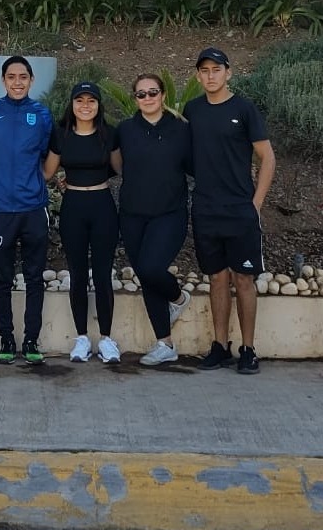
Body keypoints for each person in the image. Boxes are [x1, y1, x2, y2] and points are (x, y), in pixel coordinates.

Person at [184, 47, 276, 375]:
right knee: (217, 278)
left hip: (240, 209)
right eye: (205, 70)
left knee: (244, 278)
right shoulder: (192, 109)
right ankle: (220, 346)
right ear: (198, 75)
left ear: (228, 73)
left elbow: (267, 157)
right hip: (206, 208)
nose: (211, 75)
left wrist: (257, 202)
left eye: (216, 69)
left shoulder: (244, 109)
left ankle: (248, 349)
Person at [111, 74, 193, 366]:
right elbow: (116, 165)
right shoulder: (125, 130)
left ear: (163, 95)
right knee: (146, 276)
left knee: (151, 267)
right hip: (132, 214)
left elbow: (198, 165)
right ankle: (165, 344)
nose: (147, 98)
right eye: (141, 94)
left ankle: (179, 298)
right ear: (135, 98)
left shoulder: (182, 130)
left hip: (169, 213)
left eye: (153, 92)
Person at [0, 55, 54, 364]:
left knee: (35, 278)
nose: (17, 82)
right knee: (2, 278)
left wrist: (42, 180)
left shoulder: (41, 115)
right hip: (1, 209)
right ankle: (7, 338)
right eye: (11, 77)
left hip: (34, 208)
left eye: (23, 76)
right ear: (3, 81)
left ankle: (31, 340)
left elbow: (50, 155)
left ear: (31, 80)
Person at [44, 80, 121, 363]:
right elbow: (47, 173)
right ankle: (81, 339)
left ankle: (107, 339)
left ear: (98, 106)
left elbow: (119, 168)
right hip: (73, 208)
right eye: (80, 100)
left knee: (102, 275)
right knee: (77, 275)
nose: (85, 106)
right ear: (72, 104)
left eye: (91, 101)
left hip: (102, 206)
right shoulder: (61, 135)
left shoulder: (109, 135)